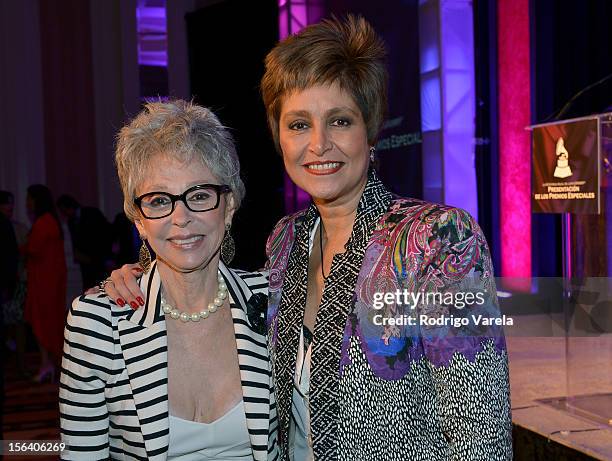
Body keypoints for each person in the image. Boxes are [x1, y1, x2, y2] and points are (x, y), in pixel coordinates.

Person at [107, 16, 512, 460]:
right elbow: (210, 284)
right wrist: (145, 275)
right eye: (299, 124)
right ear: (279, 137)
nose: (319, 144)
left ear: (370, 130)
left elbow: (480, 432)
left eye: (339, 121)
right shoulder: (286, 240)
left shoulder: (435, 239)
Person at [59, 101, 278, 460]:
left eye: (200, 195)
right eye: (160, 201)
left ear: (230, 207)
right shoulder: (97, 323)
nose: (182, 217)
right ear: (139, 220)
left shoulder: (274, 303)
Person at [23, 185, 67, 382]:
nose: (27, 202)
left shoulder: (43, 223)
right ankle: (50, 365)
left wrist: (20, 247)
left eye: (29, 198)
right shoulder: (51, 221)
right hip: (49, 281)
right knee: (49, 323)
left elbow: (34, 249)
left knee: (44, 323)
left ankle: (47, 364)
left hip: (44, 282)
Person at [0, 191, 29, 377]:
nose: (10, 207)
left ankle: (20, 364)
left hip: (15, 283)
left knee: (17, 323)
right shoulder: (9, 227)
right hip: (8, 283)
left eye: (11, 204)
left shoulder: (18, 228)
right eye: (6, 204)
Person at [57, 194, 112, 289]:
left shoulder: (91, 213)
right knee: (88, 286)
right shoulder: (71, 221)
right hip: (84, 261)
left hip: (98, 258)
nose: (64, 213)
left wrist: (100, 257)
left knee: (102, 286)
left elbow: (104, 234)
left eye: (63, 210)